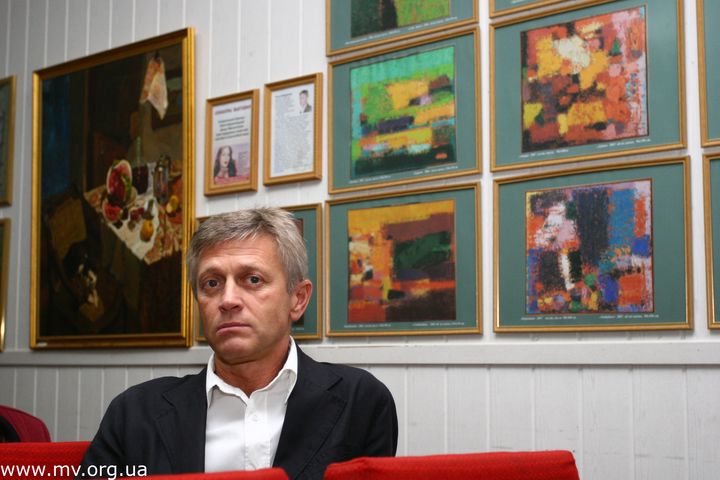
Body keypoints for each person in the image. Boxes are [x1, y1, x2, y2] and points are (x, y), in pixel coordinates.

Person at [78, 208, 398, 480]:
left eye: (252, 279)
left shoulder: (360, 402)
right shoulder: (135, 413)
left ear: (298, 299)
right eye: (212, 283)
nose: (227, 299)